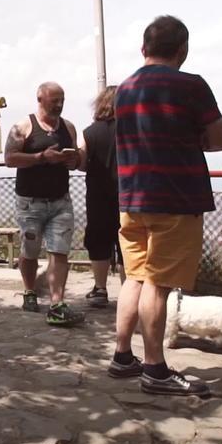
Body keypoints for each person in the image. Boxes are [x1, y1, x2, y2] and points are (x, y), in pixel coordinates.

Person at [110, 15, 222, 397]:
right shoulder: (191, 85)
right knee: (158, 285)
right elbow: (219, 138)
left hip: (132, 197)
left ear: (144, 48)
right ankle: (155, 368)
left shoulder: (123, 90)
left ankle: (123, 356)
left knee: (136, 277)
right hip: (175, 197)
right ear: (183, 50)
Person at [4, 82, 84, 327]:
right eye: (54, 101)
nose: (59, 105)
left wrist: (73, 159)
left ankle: (57, 303)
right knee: (30, 251)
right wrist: (41, 157)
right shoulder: (22, 127)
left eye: (62, 100)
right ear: (40, 99)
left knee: (59, 252)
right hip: (30, 202)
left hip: (60, 200)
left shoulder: (68, 127)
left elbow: (76, 163)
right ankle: (29, 290)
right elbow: (9, 158)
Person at [80, 85, 121, 308]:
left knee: (98, 241)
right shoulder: (131, 130)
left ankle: (100, 289)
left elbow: (81, 161)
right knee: (127, 243)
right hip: (129, 196)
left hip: (98, 196)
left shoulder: (90, 132)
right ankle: (129, 292)